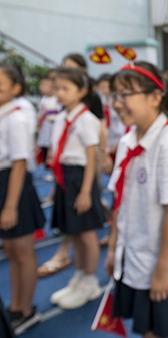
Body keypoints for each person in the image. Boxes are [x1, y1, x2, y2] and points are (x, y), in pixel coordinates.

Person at [106, 61, 168, 338]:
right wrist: (114, 249)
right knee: (146, 328)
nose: (118, 103)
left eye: (126, 94)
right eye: (115, 95)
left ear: (155, 97)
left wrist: (162, 270)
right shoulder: (127, 141)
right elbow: (119, 202)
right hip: (135, 254)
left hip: (166, 263)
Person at [48, 67, 105, 310]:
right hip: (66, 177)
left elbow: (92, 157)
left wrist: (85, 191)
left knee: (86, 232)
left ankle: (90, 280)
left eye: (65, 88)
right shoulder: (62, 117)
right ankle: (80, 275)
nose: (59, 93)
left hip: (81, 177)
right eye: (57, 88)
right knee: (74, 231)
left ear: (81, 91)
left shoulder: (86, 119)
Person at [0, 61, 45, 334]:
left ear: (16, 88)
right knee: (11, 249)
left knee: (23, 251)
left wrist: (10, 206)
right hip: (3, 183)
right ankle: (16, 304)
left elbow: (18, 162)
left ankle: (26, 308)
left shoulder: (16, 116)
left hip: (13, 186)